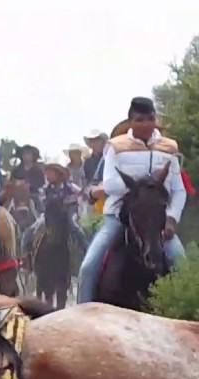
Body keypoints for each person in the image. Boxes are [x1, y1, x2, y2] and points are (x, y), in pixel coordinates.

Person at [76, 97, 187, 304]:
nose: (145, 124)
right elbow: (109, 183)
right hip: (119, 217)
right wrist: (142, 186)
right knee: (88, 267)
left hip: (158, 219)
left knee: (181, 264)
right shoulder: (116, 147)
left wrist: (171, 219)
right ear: (131, 122)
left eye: (150, 118)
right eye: (140, 119)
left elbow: (179, 190)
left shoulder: (169, 148)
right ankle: (80, 318)